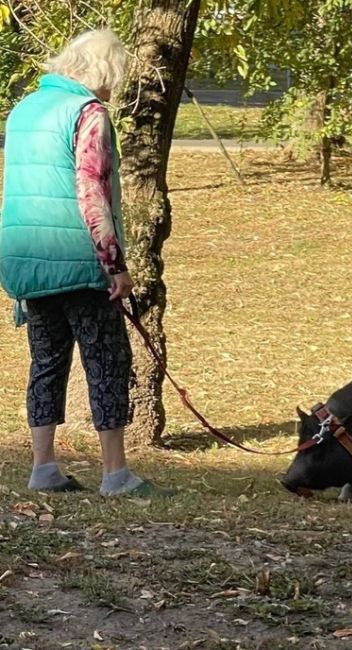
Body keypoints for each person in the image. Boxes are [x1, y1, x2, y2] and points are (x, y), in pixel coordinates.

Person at [0, 30, 174, 497]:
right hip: (79, 259)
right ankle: (116, 473)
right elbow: (91, 191)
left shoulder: (24, 109)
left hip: (27, 260)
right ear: (101, 72)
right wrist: (114, 263)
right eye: (113, 77)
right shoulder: (88, 113)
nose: (113, 89)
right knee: (106, 360)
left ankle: (43, 468)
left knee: (47, 361)